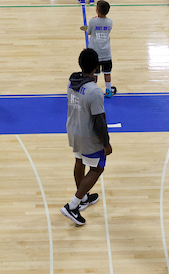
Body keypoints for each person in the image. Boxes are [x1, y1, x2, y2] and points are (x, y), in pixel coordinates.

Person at [61, 48, 111, 227]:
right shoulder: (94, 92)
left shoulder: (71, 81)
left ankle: (83, 198)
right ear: (97, 67)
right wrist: (106, 143)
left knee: (79, 161)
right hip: (88, 134)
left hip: (73, 129)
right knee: (98, 168)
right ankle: (73, 205)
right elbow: (99, 121)